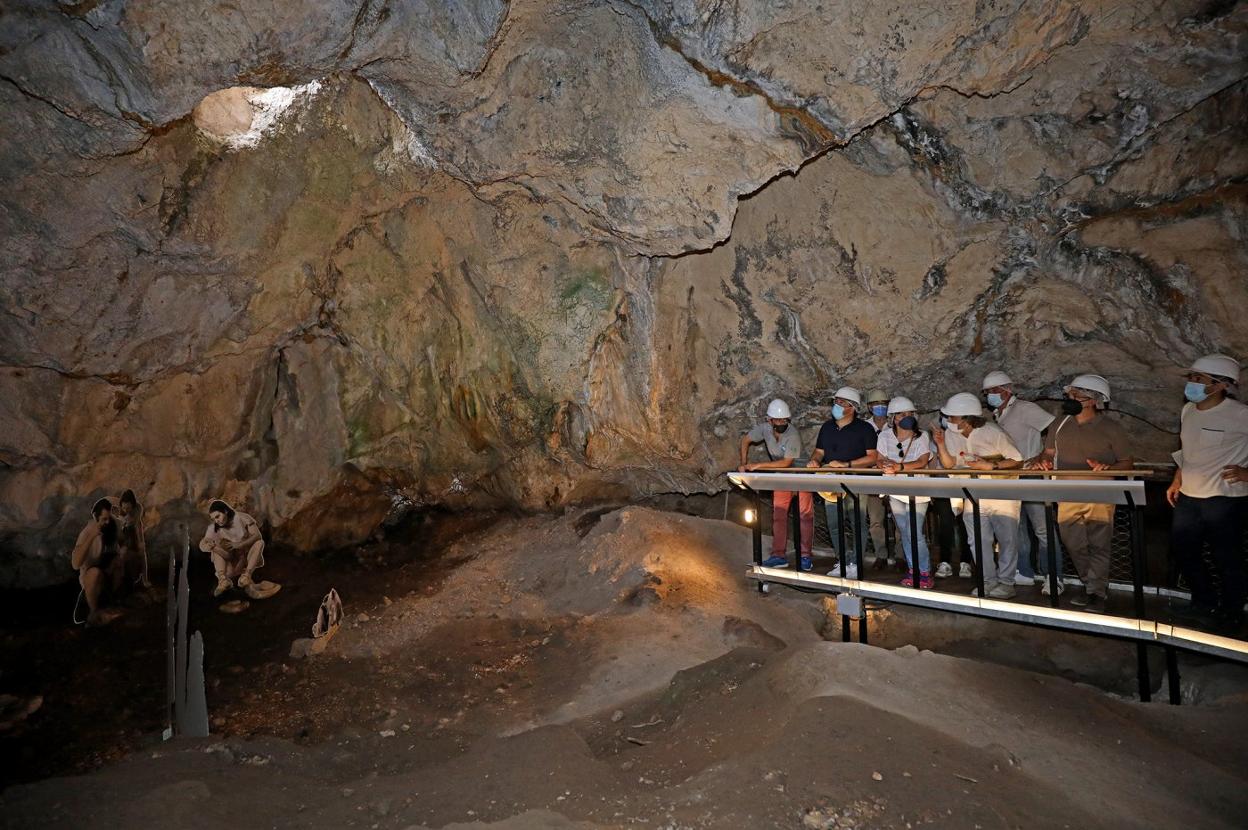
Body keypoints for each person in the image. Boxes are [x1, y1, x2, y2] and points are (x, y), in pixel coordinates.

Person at [1027, 374, 1133, 612]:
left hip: (1100, 494)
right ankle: (1090, 584)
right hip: (1067, 492)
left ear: (1094, 400)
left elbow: (1126, 462)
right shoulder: (1060, 423)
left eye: (1077, 395)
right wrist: (1043, 460)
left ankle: (1096, 592)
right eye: (1070, 395)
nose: (1070, 399)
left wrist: (1108, 469)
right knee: (1072, 543)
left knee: (1099, 544)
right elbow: (1048, 452)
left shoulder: (1111, 428)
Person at [1167, 354, 1248, 631]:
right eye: (1192, 378)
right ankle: (1204, 601)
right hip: (1189, 496)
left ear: (1222, 385)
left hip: (1224, 499)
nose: (1192, 383)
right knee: (1183, 551)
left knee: (1226, 557)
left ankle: (1232, 611)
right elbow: (1188, 451)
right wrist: (1177, 479)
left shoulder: (1240, 415)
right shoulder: (1188, 411)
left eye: (1199, 379)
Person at [933, 393, 1025, 599]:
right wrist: (940, 444)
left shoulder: (993, 432)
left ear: (966, 419)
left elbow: (1018, 460)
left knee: (1006, 539)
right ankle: (987, 581)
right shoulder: (951, 435)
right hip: (974, 493)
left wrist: (991, 466)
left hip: (1003, 493)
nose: (948, 421)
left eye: (952, 417)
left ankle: (1006, 583)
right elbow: (949, 465)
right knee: (977, 540)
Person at [983, 371, 1060, 592]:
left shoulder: (1024, 409)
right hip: (1010, 478)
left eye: (994, 391)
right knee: (1017, 530)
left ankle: (1053, 577)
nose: (991, 395)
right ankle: (1025, 572)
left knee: (1043, 529)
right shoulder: (999, 415)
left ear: (1007, 390)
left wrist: (1044, 454)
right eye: (987, 392)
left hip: (1031, 475)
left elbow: (1054, 427)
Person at [807, 387, 878, 577]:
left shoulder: (865, 429)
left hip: (855, 482)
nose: (836, 405)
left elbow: (872, 458)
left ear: (852, 407)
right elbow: (820, 451)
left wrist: (846, 464)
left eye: (841, 402)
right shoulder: (827, 427)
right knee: (834, 523)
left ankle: (856, 563)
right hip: (831, 482)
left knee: (857, 523)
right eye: (835, 401)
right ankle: (843, 561)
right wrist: (815, 460)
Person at [738, 399, 814, 570]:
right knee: (779, 515)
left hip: (802, 474)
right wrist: (743, 462)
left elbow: (787, 462)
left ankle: (805, 556)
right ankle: (778, 555)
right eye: (777, 420)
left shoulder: (792, 434)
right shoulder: (764, 429)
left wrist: (758, 465)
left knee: (805, 516)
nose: (781, 423)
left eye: (784, 420)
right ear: (769, 420)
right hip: (782, 476)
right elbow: (746, 440)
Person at [876, 397, 933, 588]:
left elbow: (922, 461)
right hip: (895, 488)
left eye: (909, 414)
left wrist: (899, 467)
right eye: (901, 414)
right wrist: (884, 465)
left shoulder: (922, 436)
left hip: (917, 488)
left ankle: (924, 571)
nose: (906, 417)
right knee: (905, 532)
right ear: (893, 418)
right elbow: (879, 458)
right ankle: (912, 570)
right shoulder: (884, 436)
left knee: (914, 531)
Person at [71, 498, 124, 625]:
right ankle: (93, 612)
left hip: (107, 576)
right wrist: (92, 536)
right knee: (94, 573)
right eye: (103, 519)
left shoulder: (110, 527)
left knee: (119, 560)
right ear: (96, 517)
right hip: (92, 583)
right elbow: (75, 564)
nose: (107, 522)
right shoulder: (87, 533)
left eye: (108, 519)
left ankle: (113, 601)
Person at [200, 499, 267, 597]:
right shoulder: (214, 528)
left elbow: (257, 536)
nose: (216, 521)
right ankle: (223, 580)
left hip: (248, 558)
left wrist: (240, 544)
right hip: (232, 561)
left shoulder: (242, 518)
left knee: (259, 543)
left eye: (218, 516)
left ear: (225, 511)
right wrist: (205, 546)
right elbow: (204, 541)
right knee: (215, 547)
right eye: (214, 519)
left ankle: (246, 576)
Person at [862, 390, 896, 568]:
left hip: (895, 476)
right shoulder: (863, 427)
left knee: (900, 519)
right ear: (869, 407)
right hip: (873, 477)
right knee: (875, 519)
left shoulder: (896, 426)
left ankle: (901, 557)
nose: (880, 407)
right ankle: (881, 554)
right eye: (876, 403)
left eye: (884, 403)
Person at [114, 489, 150, 588]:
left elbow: (138, 526)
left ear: (133, 506)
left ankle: (145, 579)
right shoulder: (119, 509)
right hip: (122, 532)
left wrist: (140, 542)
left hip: (133, 530)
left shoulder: (138, 508)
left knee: (142, 553)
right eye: (124, 507)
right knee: (122, 553)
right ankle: (121, 579)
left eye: (128, 508)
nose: (126, 510)